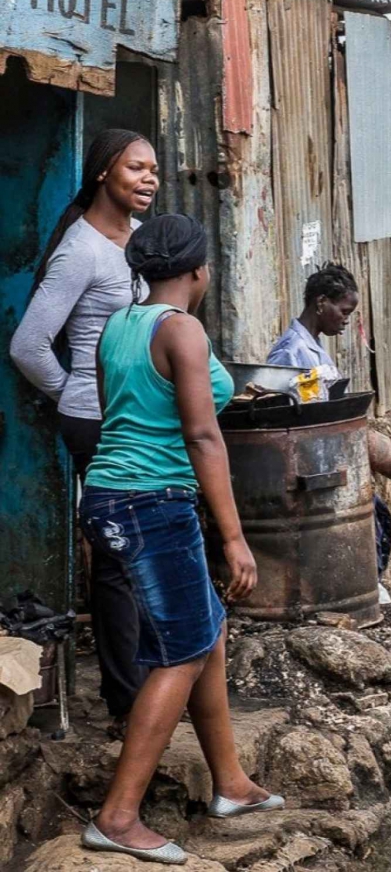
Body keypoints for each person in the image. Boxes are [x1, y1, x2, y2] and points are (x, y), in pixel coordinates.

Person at [79, 214, 278, 863]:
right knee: (183, 651)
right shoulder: (184, 329)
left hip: (109, 494)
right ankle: (117, 815)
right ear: (199, 271)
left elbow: (120, 411)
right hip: (152, 504)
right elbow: (200, 435)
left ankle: (230, 783)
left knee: (205, 629)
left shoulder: (118, 325)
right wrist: (235, 536)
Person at [9, 129, 156, 732]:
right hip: (97, 421)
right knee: (120, 560)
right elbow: (28, 344)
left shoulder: (137, 240)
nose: (148, 179)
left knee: (145, 553)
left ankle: (145, 685)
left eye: (153, 170)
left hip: (134, 416)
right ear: (102, 173)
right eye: (135, 169)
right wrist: (74, 389)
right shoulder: (81, 250)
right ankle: (127, 702)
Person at [266, 263, 360, 386]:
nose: (346, 320)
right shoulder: (289, 351)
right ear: (321, 302)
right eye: (344, 312)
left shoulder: (312, 345)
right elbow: (276, 402)